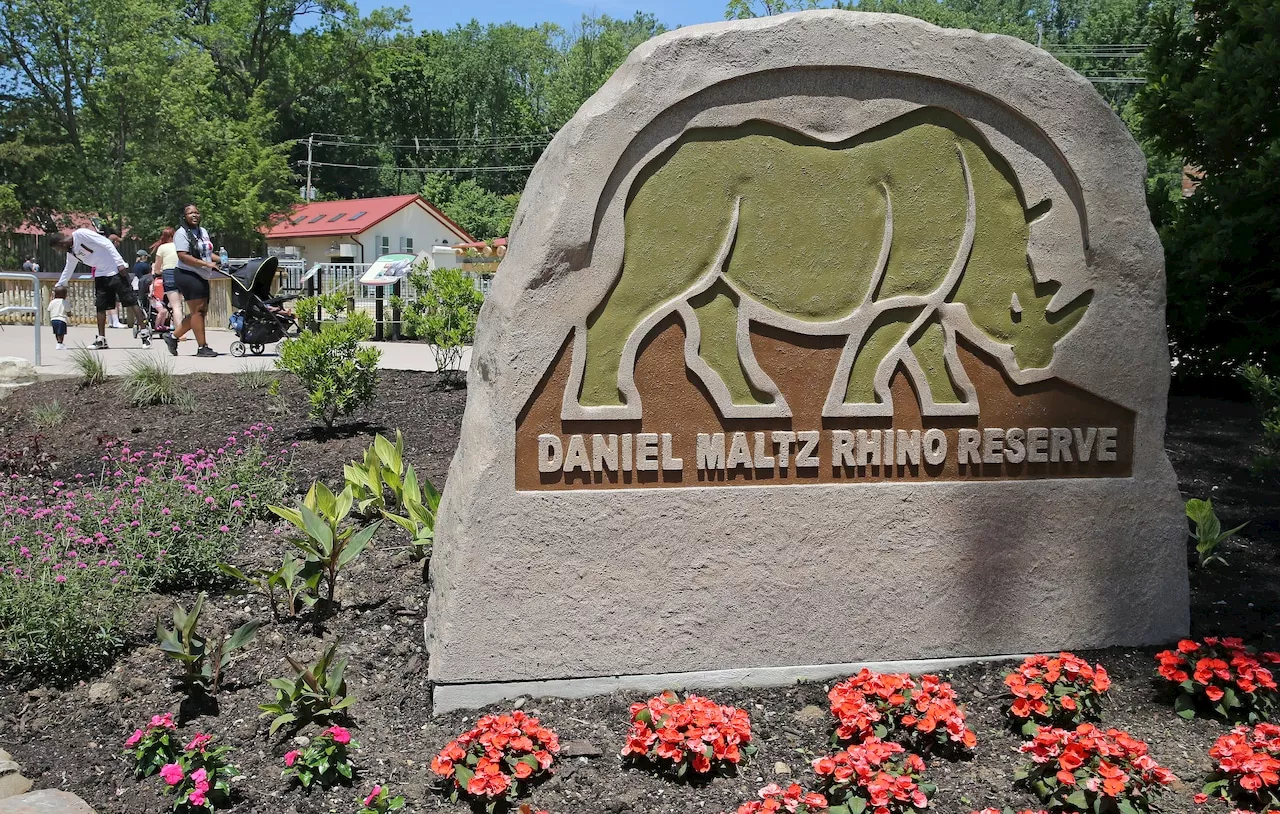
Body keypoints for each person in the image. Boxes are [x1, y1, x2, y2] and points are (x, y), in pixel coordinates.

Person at [50, 228, 150, 349]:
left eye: (58, 249)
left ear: (61, 243)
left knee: (131, 301)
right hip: (100, 274)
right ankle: (101, 339)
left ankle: (145, 335)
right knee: (100, 306)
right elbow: (68, 269)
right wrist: (58, 285)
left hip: (115, 269)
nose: (59, 251)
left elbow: (106, 242)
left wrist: (119, 263)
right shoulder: (71, 253)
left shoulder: (81, 234)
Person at [164, 204, 219, 357]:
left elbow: (207, 252)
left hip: (202, 273)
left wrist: (220, 260)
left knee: (199, 311)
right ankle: (202, 347)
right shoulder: (181, 234)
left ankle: (172, 336)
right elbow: (183, 256)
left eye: (196, 212)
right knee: (198, 311)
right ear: (184, 216)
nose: (194, 215)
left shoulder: (203, 232)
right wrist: (206, 264)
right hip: (187, 273)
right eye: (190, 213)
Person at [48, 286, 69, 350]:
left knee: (56, 332)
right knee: (61, 333)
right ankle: (60, 343)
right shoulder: (64, 302)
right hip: (61, 319)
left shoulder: (52, 302)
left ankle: (58, 342)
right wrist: (69, 314)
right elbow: (68, 310)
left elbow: (49, 309)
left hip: (53, 319)